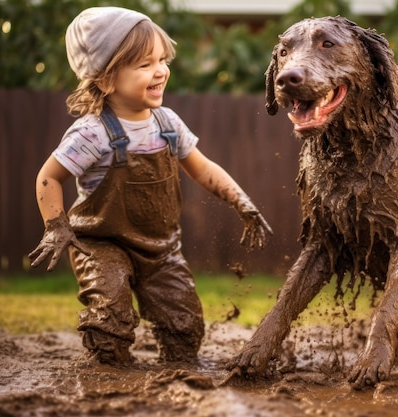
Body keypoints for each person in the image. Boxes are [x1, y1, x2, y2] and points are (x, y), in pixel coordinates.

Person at [28, 6, 272, 366]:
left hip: (160, 249)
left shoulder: (167, 123)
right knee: (110, 317)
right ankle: (108, 375)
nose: (160, 71)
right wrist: (56, 226)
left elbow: (203, 168)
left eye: (162, 59)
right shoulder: (92, 132)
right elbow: (49, 176)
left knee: (184, 328)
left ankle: (171, 370)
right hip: (101, 244)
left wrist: (241, 201)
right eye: (145, 65)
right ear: (107, 78)